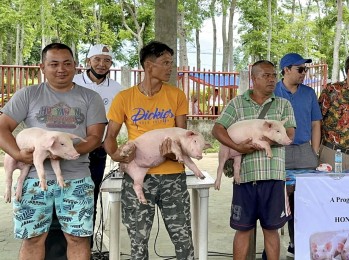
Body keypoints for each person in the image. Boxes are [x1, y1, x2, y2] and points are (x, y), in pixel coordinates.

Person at [0, 43, 107, 260]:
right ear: (42, 67)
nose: (61, 69)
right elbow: (2, 127)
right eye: (54, 64)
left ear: (76, 66)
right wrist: (18, 154)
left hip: (77, 179)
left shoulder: (90, 97)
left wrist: (66, 152)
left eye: (67, 63)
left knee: (78, 238)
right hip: (33, 181)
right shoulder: (28, 95)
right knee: (32, 238)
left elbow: (95, 137)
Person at [103, 41, 194, 259]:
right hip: (138, 178)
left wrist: (174, 153)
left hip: (172, 177)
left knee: (183, 238)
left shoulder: (177, 96)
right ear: (149, 65)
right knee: (138, 239)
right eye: (165, 62)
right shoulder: (124, 98)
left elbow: (183, 136)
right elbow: (110, 137)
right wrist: (117, 156)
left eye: (171, 62)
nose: (170, 67)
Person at [212, 60, 296, 260]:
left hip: (273, 176)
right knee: (242, 229)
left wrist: (261, 142)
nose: (272, 79)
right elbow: (217, 129)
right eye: (266, 75)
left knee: (272, 229)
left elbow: (289, 134)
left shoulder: (283, 104)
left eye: (273, 75)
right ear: (254, 78)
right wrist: (237, 147)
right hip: (245, 177)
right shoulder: (237, 104)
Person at [265, 53, 322, 258]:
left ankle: (297, 244)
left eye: (305, 70)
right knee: (277, 198)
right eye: (300, 69)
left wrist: (314, 151)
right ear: (286, 69)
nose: (304, 73)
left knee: (305, 199)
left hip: (304, 151)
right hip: (279, 151)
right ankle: (270, 247)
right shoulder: (272, 91)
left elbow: (316, 123)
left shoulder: (309, 93)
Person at [73, 43, 123, 247]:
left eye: (107, 61)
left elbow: (116, 121)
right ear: (88, 61)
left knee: (90, 196)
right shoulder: (73, 82)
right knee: (65, 194)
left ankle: (86, 246)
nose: (102, 64)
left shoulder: (117, 90)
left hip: (98, 151)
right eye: (97, 60)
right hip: (71, 149)